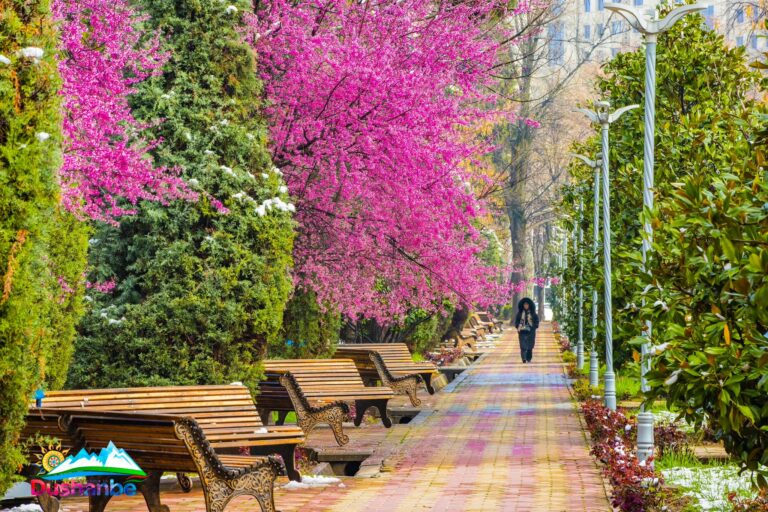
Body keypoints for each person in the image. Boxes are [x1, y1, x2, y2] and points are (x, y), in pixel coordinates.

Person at [515, 297, 539, 363]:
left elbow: (537, 322)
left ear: (529, 305)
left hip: (531, 332)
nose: (526, 306)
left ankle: (529, 358)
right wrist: (518, 326)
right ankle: (524, 359)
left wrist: (534, 326)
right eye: (524, 305)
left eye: (527, 305)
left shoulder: (533, 314)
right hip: (522, 332)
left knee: (530, 346)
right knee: (523, 346)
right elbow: (516, 322)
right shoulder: (519, 313)